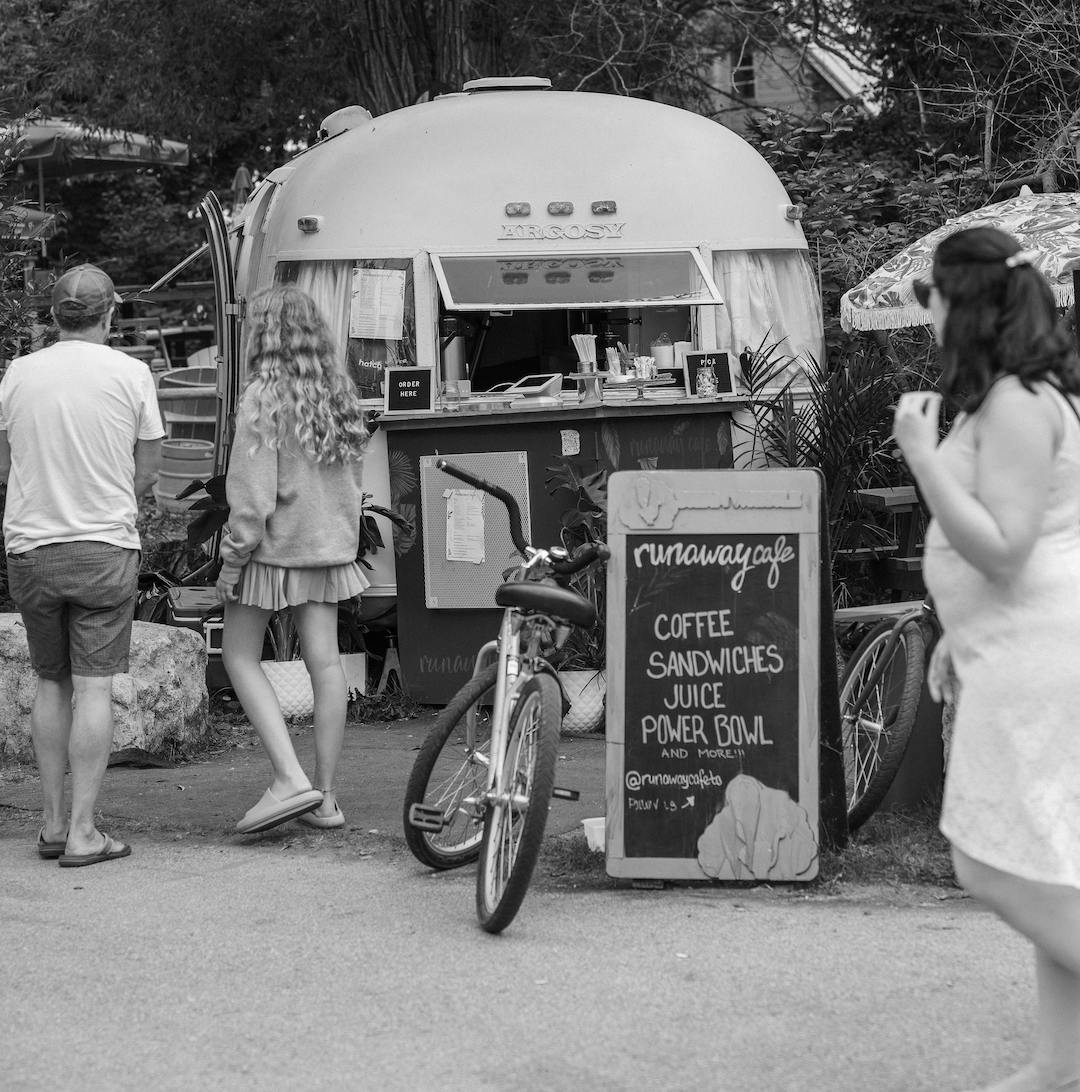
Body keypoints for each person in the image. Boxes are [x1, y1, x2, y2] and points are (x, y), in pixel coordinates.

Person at [894, 226, 1080, 1092]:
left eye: (926, 297)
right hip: (1018, 648)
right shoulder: (1024, 394)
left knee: (991, 862)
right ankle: (1057, 1066)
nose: (922, 315)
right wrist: (955, 641)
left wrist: (926, 462)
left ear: (959, 301)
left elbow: (1004, 550)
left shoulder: (1012, 401)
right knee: (1051, 863)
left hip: (1042, 657)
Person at [0, 264, 164, 867]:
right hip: (102, 546)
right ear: (110, 313)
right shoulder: (131, 373)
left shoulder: (18, 374)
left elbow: (4, 465)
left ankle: (48, 823)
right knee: (94, 687)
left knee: (51, 681)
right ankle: (84, 830)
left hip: (32, 548)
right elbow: (147, 469)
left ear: (51, 315)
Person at [215, 284, 369, 835]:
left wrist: (231, 562)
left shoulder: (263, 397)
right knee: (326, 666)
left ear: (266, 333)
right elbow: (353, 489)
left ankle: (288, 777)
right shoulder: (340, 397)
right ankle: (325, 799)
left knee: (238, 656)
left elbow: (252, 500)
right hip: (325, 554)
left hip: (271, 554)